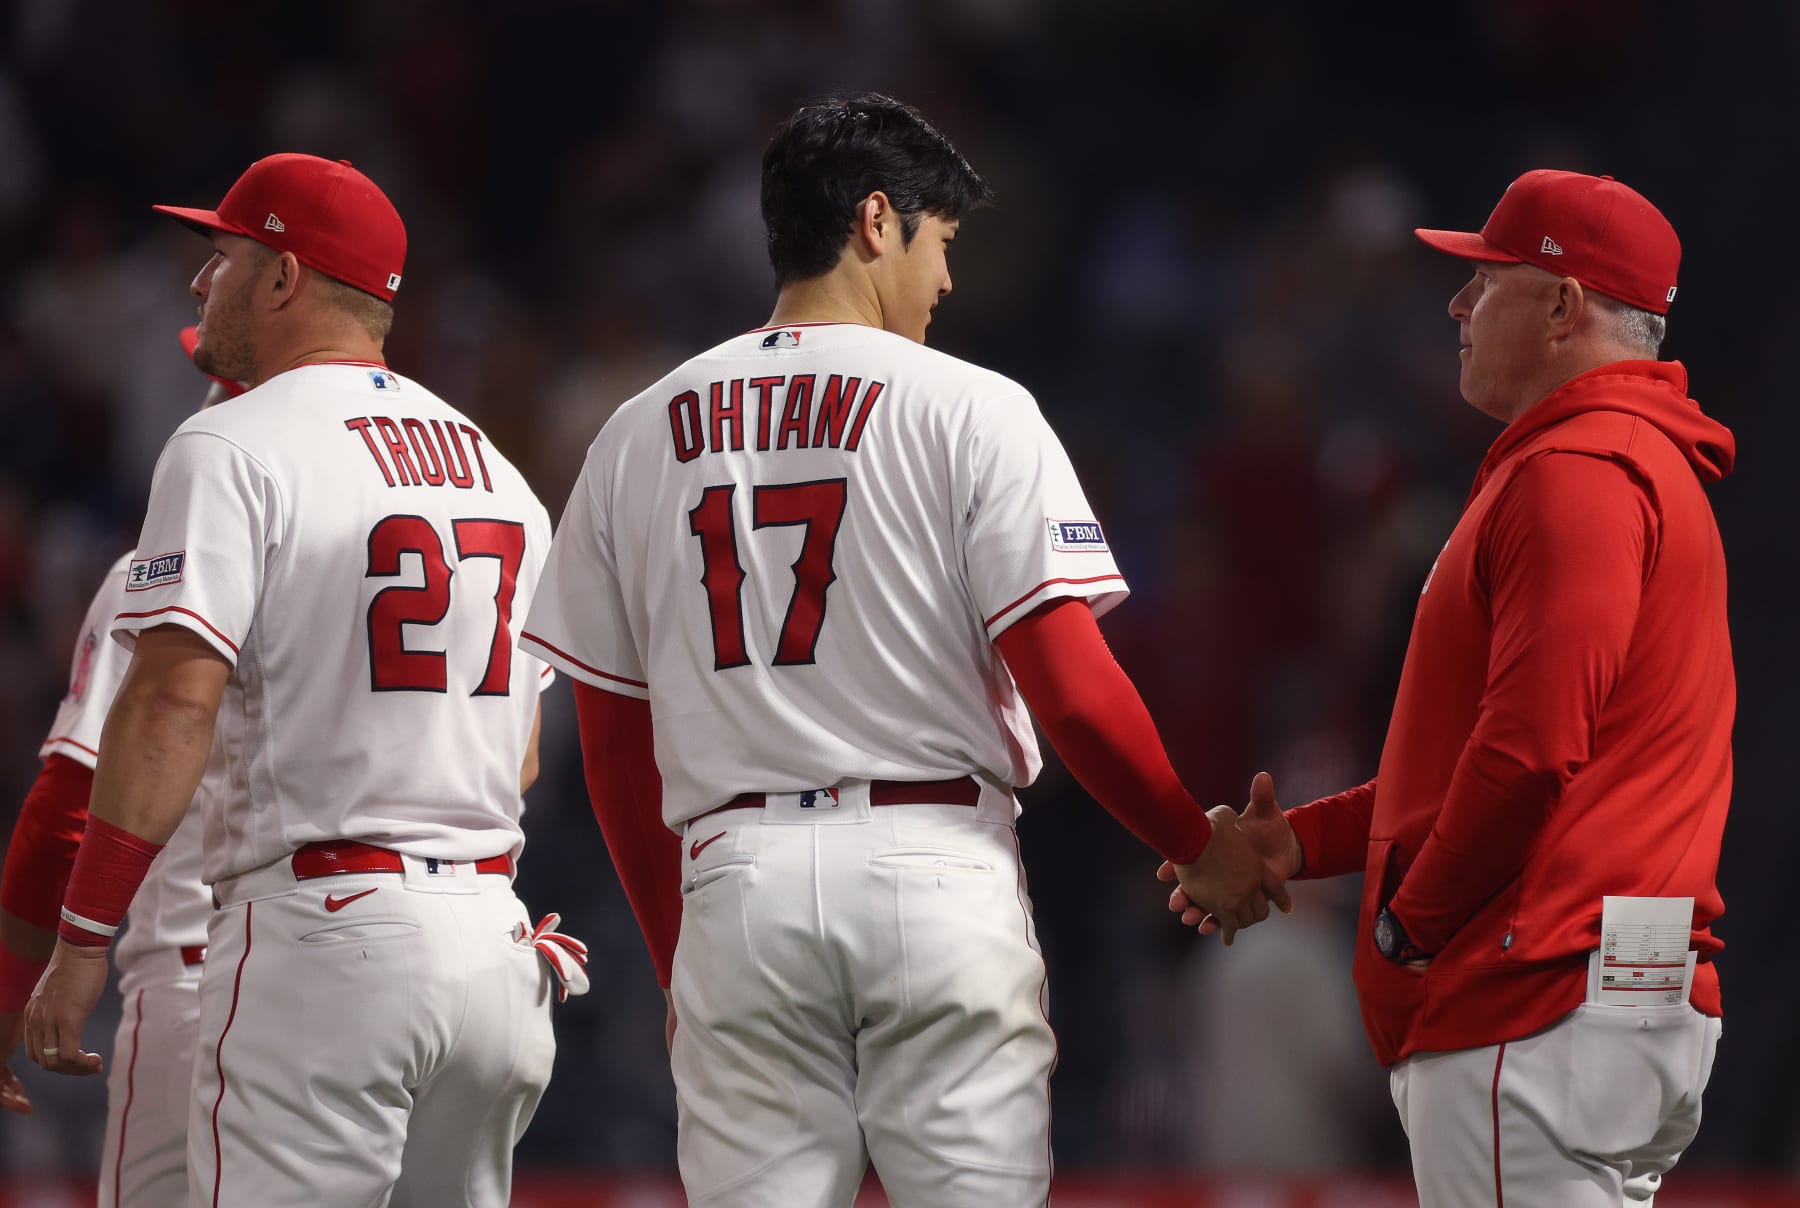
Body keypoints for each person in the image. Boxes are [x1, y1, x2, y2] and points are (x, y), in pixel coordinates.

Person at [519, 93, 1284, 1207]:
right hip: (933, 867)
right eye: (942, 240)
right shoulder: (972, 407)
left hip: (737, 881)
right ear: (878, 221)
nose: (948, 278)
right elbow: (1070, 690)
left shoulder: (638, 428)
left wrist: (678, 946)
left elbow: (615, 740)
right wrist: (1189, 840)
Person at [22, 153, 579, 1207]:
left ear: (282, 277)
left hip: (325, 937)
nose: (199, 283)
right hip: (495, 946)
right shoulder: (500, 473)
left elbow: (171, 701)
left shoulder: (232, 439)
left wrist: (85, 934)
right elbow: (525, 750)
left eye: (224, 254)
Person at [1170, 170, 1733, 1207]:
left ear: (1564, 306)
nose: (1457, 304)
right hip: (1607, 981)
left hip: (1536, 992)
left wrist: (1407, 923)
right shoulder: (1626, 462)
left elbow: (1529, 750)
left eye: (1489, 278)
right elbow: (1501, 758)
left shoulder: (1580, 471)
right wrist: (1311, 841)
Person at [0, 330, 239, 1205]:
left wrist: (12, 997)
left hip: (210, 980)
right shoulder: (483, 514)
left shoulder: (162, 570)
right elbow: (519, 768)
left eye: (217, 389)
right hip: (451, 954)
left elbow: (66, 806)